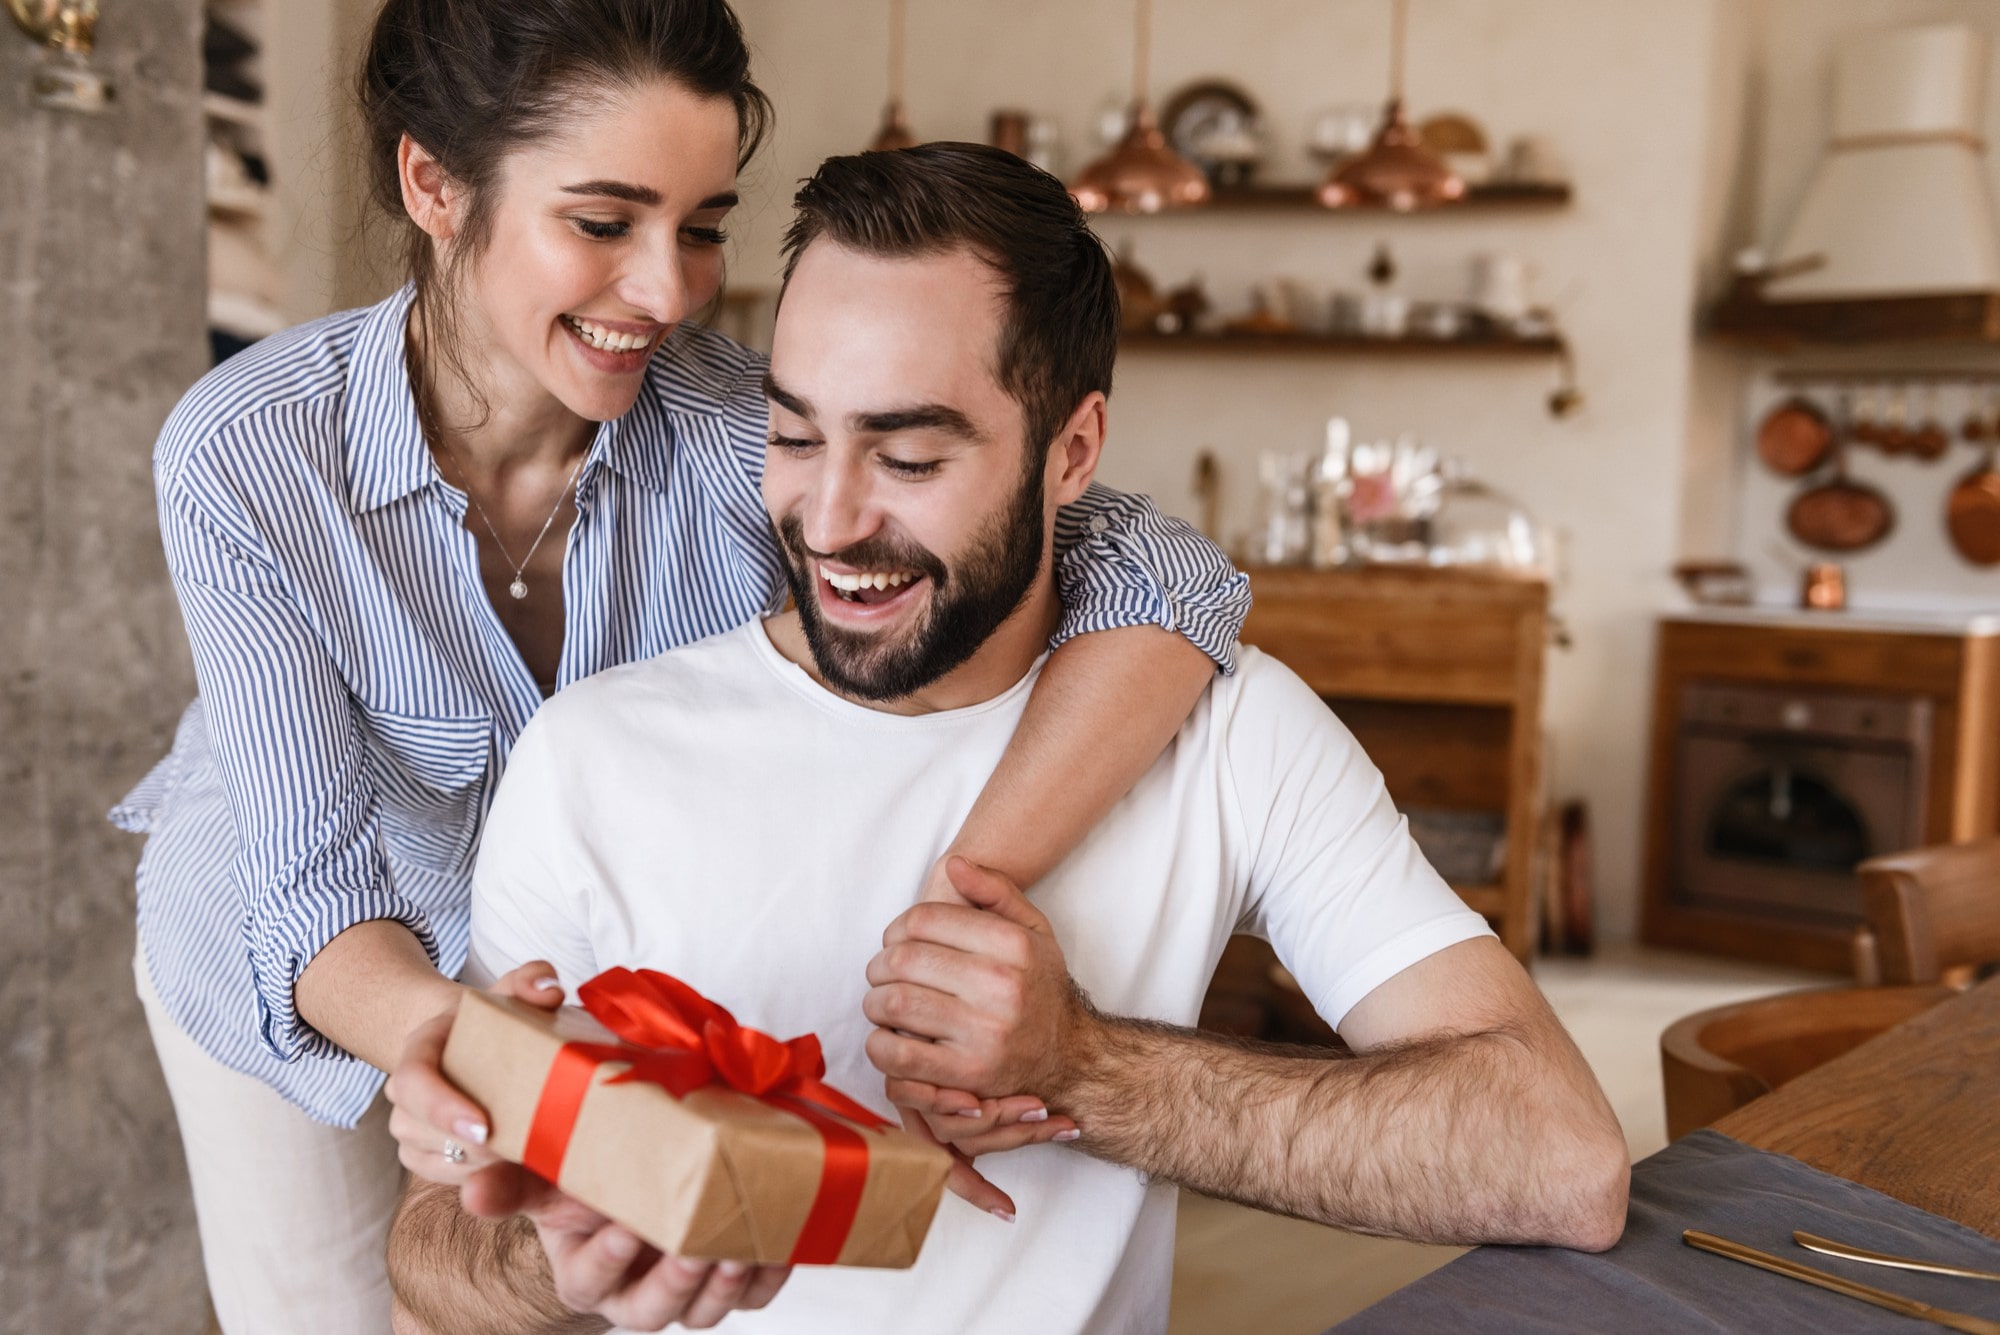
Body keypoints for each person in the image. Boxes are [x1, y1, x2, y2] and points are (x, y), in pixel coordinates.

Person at [107, 4, 1251, 1329]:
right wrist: (452, 1043)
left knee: (571, 1297)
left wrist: (953, 903)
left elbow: (1172, 575)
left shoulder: (738, 435)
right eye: (603, 223)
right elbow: (308, 884)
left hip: (577, 967)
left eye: (702, 227)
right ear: (434, 185)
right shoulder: (249, 451)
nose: (666, 291)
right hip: (298, 954)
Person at [384, 143, 1629, 1335]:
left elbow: (1561, 1160)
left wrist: (1085, 1069)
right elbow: (432, 1275)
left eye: (909, 455)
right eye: (795, 436)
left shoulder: (1228, 733)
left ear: (1071, 451)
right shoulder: (595, 757)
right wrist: (558, 1254)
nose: (828, 519)